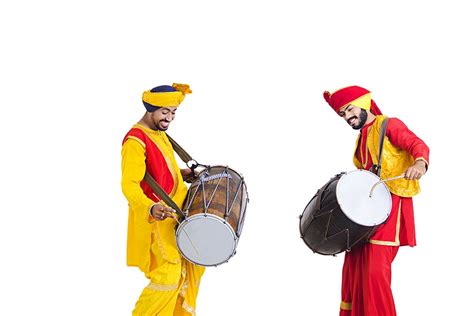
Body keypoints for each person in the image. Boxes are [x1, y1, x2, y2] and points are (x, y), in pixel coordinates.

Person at [322, 86, 429, 316]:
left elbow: (417, 145)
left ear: (363, 102)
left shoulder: (389, 125)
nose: (348, 117)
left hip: (388, 214)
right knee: (353, 272)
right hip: (365, 217)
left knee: (373, 275)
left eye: (349, 109)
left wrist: (419, 163)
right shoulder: (361, 139)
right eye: (343, 114)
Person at [121, 83, 204, 315]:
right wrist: (150, 207)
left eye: (173, 112)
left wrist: (181, 174)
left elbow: (159, 168)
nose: (170, 118)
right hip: (158, 219)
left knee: (190, 264)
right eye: (165, 112)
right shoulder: (135, 141)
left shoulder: (159, 133)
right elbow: (129, 184)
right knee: (168, 273)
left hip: (176, 213)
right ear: (151, 109)